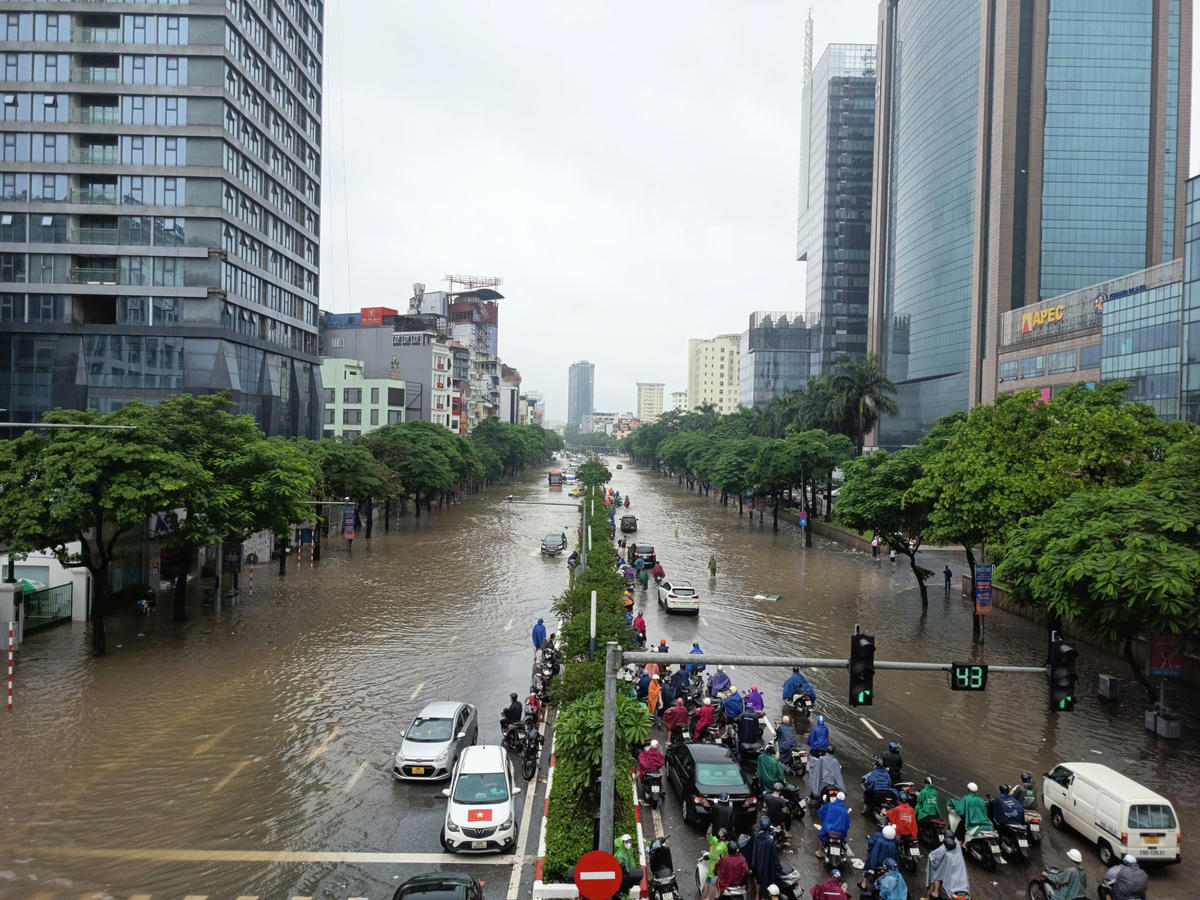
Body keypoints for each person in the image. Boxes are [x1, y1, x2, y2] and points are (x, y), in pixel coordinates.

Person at [925, 833, 970, 900]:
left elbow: (936, 855)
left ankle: (935, 892)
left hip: (950, 881)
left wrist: (932, 857)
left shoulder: (947, 856)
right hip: (960, 878)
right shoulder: (957, 849)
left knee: (937, 875)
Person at [748, 817, 784, 900]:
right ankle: (763, 896)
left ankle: (757, 895)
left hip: (756, 864)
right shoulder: (770, 841)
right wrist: (778, 868)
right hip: (766, 867)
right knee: (765, 882)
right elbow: (774, 857)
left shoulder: (756, 836)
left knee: (758, 880)